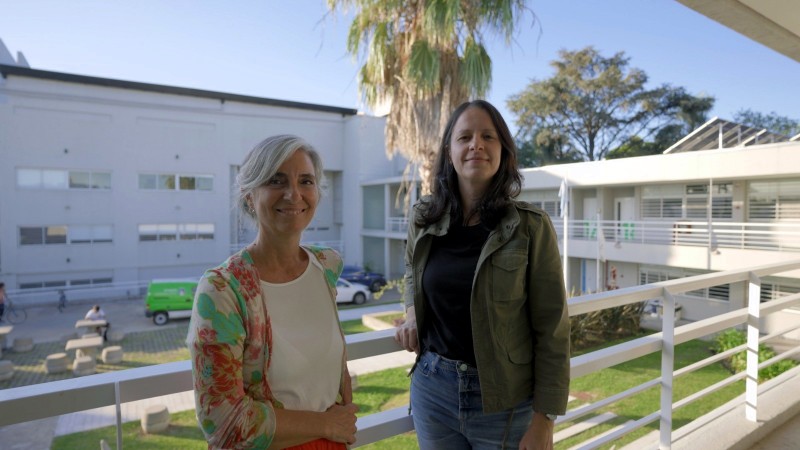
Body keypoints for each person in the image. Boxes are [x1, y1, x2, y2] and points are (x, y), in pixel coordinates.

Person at [394, 100, 571, 450]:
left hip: (505, 402)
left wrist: (544, 420)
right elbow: (412, 271)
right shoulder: (423, 217)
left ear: (503, 151)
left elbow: (552, 328)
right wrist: (413, 311)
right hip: (434, 390)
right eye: (465, 137)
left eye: (488, 136)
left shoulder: (531, 227)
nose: (476, 144)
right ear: (450, 152)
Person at [186, 135, 357, 449]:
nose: (294, 194)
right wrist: (326, 424)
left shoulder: (326, 265)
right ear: (250, 196)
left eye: (306, 181)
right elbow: (222, 421)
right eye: (276, 181)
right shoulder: (222, 290)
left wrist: (339, 389)